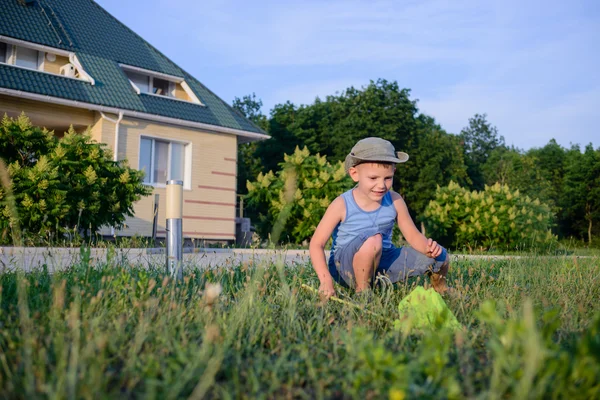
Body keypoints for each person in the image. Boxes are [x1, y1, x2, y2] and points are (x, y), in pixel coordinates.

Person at [309, 137, 452, 299]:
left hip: (382, 263)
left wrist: (429, 249)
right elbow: (316, 244)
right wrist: (325, 279)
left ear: (394, 173)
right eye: (373, 178)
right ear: (355, 174)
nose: (381, 185)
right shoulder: (342, 204)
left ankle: (441, 290)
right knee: (373, 239)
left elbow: (412, 236)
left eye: (387, 178)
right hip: (344, 268)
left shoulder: (395, 200)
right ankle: (363, 293)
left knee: (441, 254)